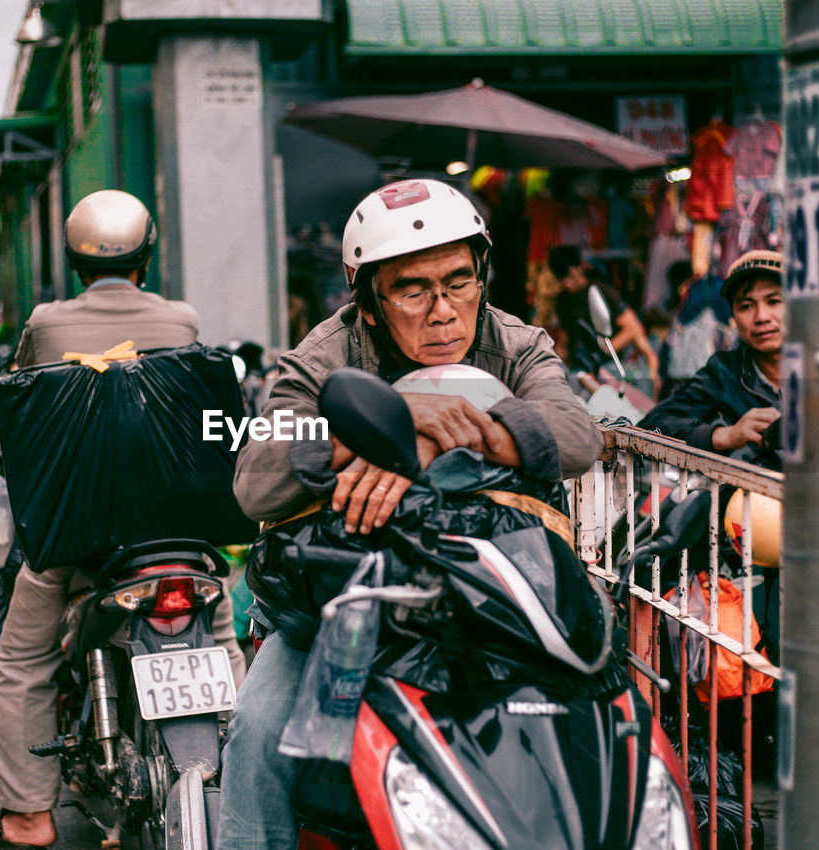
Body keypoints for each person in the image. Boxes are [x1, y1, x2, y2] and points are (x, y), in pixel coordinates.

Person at [220, 178, 605, 849]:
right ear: (367, 300)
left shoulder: (514, 345)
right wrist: (359, 433)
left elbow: (577, 435)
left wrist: (434, 429)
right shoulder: (323, 358)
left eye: (459, 282)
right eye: (412, 290)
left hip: (493, 595)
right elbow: (256, 477)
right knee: (260, 728)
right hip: (347, 600)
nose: (443, 312)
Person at [0, 190, 246, 850]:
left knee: (24, 657)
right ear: (148, 255)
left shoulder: (48, 323)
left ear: (73, 258)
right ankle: (250, 776)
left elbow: (21, 408)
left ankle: (27, 818)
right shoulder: (183, 319)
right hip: (184, 531)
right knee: (225, 640)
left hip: (79, 537)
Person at [639, 249, 783, 455]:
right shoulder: (724, 372)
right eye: (746, 306)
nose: (761, 317)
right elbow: (653, 425)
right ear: (732, 317)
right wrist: (724, 435)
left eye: (774, 302)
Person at [548, 244, 661, 397]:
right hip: (585, 368)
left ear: (580, 267)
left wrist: (605, 351)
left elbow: (633, 328)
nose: (567, 283)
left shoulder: (599, 290)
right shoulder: (563, 300)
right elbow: (567, 335)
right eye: (562, 279)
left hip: (612, 367)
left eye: (571, 276)